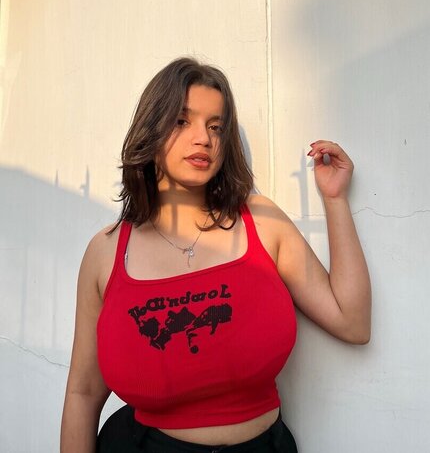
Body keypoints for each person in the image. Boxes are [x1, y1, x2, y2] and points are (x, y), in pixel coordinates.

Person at [60, 57, 371, 453]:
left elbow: (352, 322)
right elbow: (83, 392)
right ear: (150, 130)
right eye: (181, 121)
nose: (203, 139)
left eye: (215, 126)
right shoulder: (106, 253)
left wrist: (335, 200)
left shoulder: (262, 222)